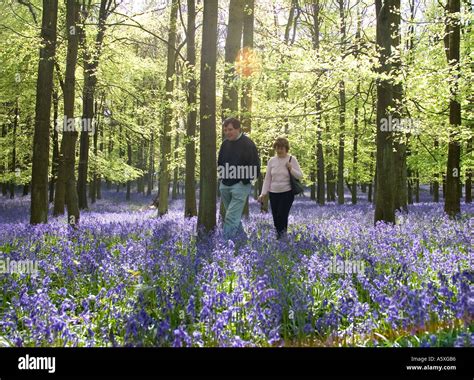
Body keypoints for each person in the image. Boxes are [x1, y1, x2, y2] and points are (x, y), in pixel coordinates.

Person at [218, 117, 260, 240]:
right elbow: (220, 162)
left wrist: (245, 181)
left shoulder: (248, 144)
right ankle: (242, 243)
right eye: (225, 130)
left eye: (230, 129)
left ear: (238, 129)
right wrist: (222, 179)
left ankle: (224, 247)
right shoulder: (224, 144)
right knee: (233, 217)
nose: (227, 132)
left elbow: (255, 165)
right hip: (225, 185)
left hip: (240, 186)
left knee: (231, 217)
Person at [258, 137, 303, 240]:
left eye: (281, 148)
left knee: (282, 215)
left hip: (287, 193)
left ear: (286, 148)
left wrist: (291, 169)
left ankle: (282, 236)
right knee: (275, 217)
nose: (279, 150)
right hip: (274, 193)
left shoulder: (292, 159)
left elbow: (300, 176)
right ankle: (280, 236)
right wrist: (263, 193)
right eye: (277, 148)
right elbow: (268, 178)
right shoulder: (271, 161)